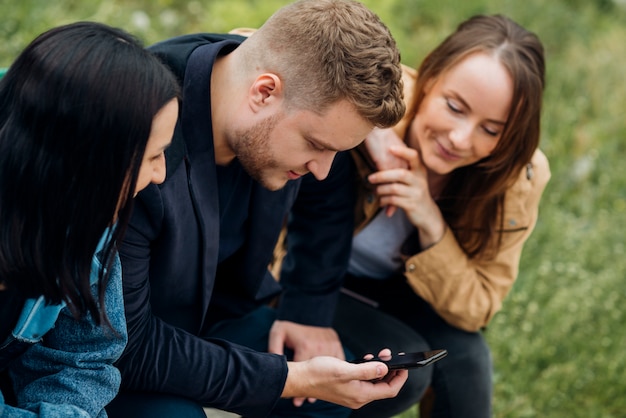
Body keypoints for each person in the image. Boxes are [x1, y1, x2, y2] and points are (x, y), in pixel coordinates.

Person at [106, 1, 407, 418]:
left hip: (222, 314)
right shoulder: (142, 137)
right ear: (263, 92)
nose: (322, 170)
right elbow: (127, 346)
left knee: (349, 391)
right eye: (318, 146)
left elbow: (330, 190)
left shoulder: (268, 84)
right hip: (131, 349)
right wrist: (293, 378)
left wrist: (307, 309)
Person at [324, 14, 549, 418]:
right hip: (301, 273)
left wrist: (430, 220)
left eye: (492, 130)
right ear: (428, 80)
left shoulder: (516, 178)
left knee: (466, 359)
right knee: (400, 376)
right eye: (454, 107)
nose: (461, 139)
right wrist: (372, 130)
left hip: (399, 290)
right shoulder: (376, 94)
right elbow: (252, 44)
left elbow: (477, 306)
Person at [0, 22, 179, 417]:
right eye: (152, 156)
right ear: (88, 160)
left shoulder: (87, 221)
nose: (160, 175)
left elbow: (85, 358)